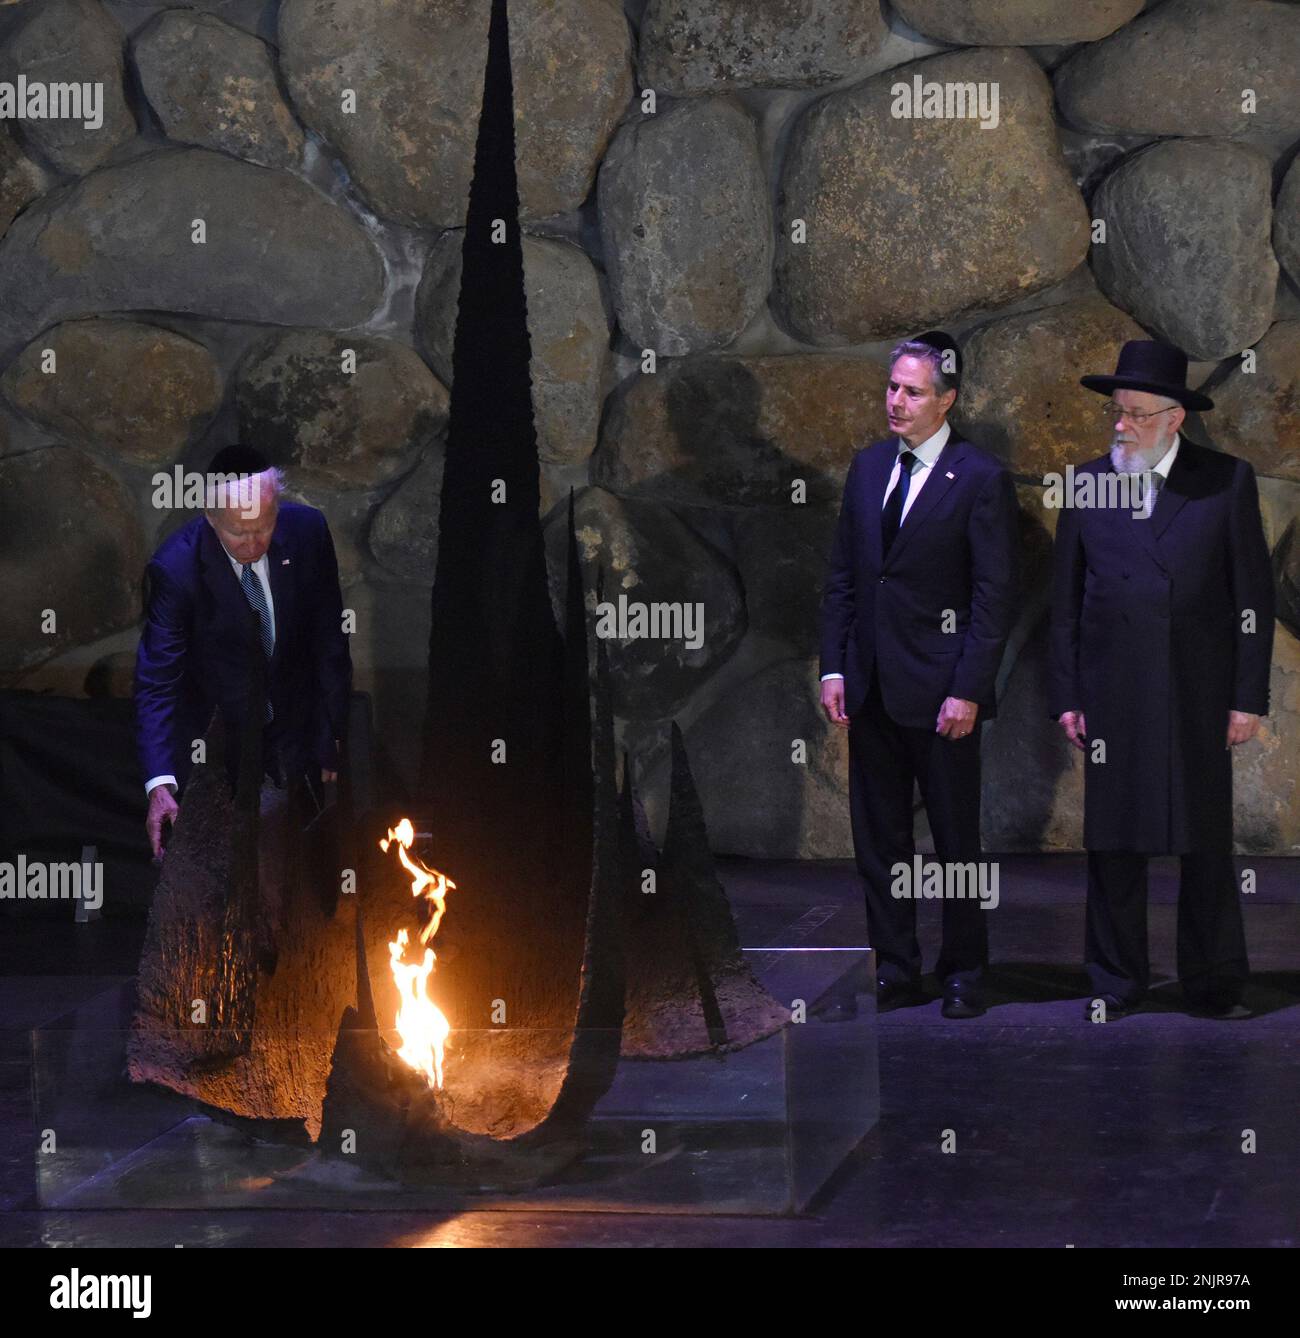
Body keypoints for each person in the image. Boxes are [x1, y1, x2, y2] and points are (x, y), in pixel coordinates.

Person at [1049, 340, 1274, 1021]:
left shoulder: (1224, 481)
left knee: (1203, 844)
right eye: (1117, 412)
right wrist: (1069, 696)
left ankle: (1212, 983)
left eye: (1138, 415)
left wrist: (1246, 697)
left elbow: (1251, 600)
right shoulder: (1087, 483)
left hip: (1196, 695)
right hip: (1113, 696)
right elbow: (1065, 605)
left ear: (1176, 419)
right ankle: (1115, 981)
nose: (1122, 425)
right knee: (1114, 845)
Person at [819, 333, 1020, 1018]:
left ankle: (964, 972)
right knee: (879, 842)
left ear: (947, 400)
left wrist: (968, 687)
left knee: (956, 841)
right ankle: (896, 969)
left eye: (910, 391)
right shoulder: (870, 467)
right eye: (891, 386)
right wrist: (834, 666)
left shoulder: (981, 479)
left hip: (942, 697)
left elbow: (995, 598)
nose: (894, 401)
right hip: (872, 686)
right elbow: (845, 575)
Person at [134, 444, 352, 873]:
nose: (253, 543)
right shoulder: (174, 570)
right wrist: (159, 783)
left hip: (294, 728)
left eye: (264, 527)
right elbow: (157, 682)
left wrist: (332, 736)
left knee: (301, 875)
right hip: (216, 743)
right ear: (210, 518)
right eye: (238, 532)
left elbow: (329, 639)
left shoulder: (308, 533)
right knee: (221, 879)